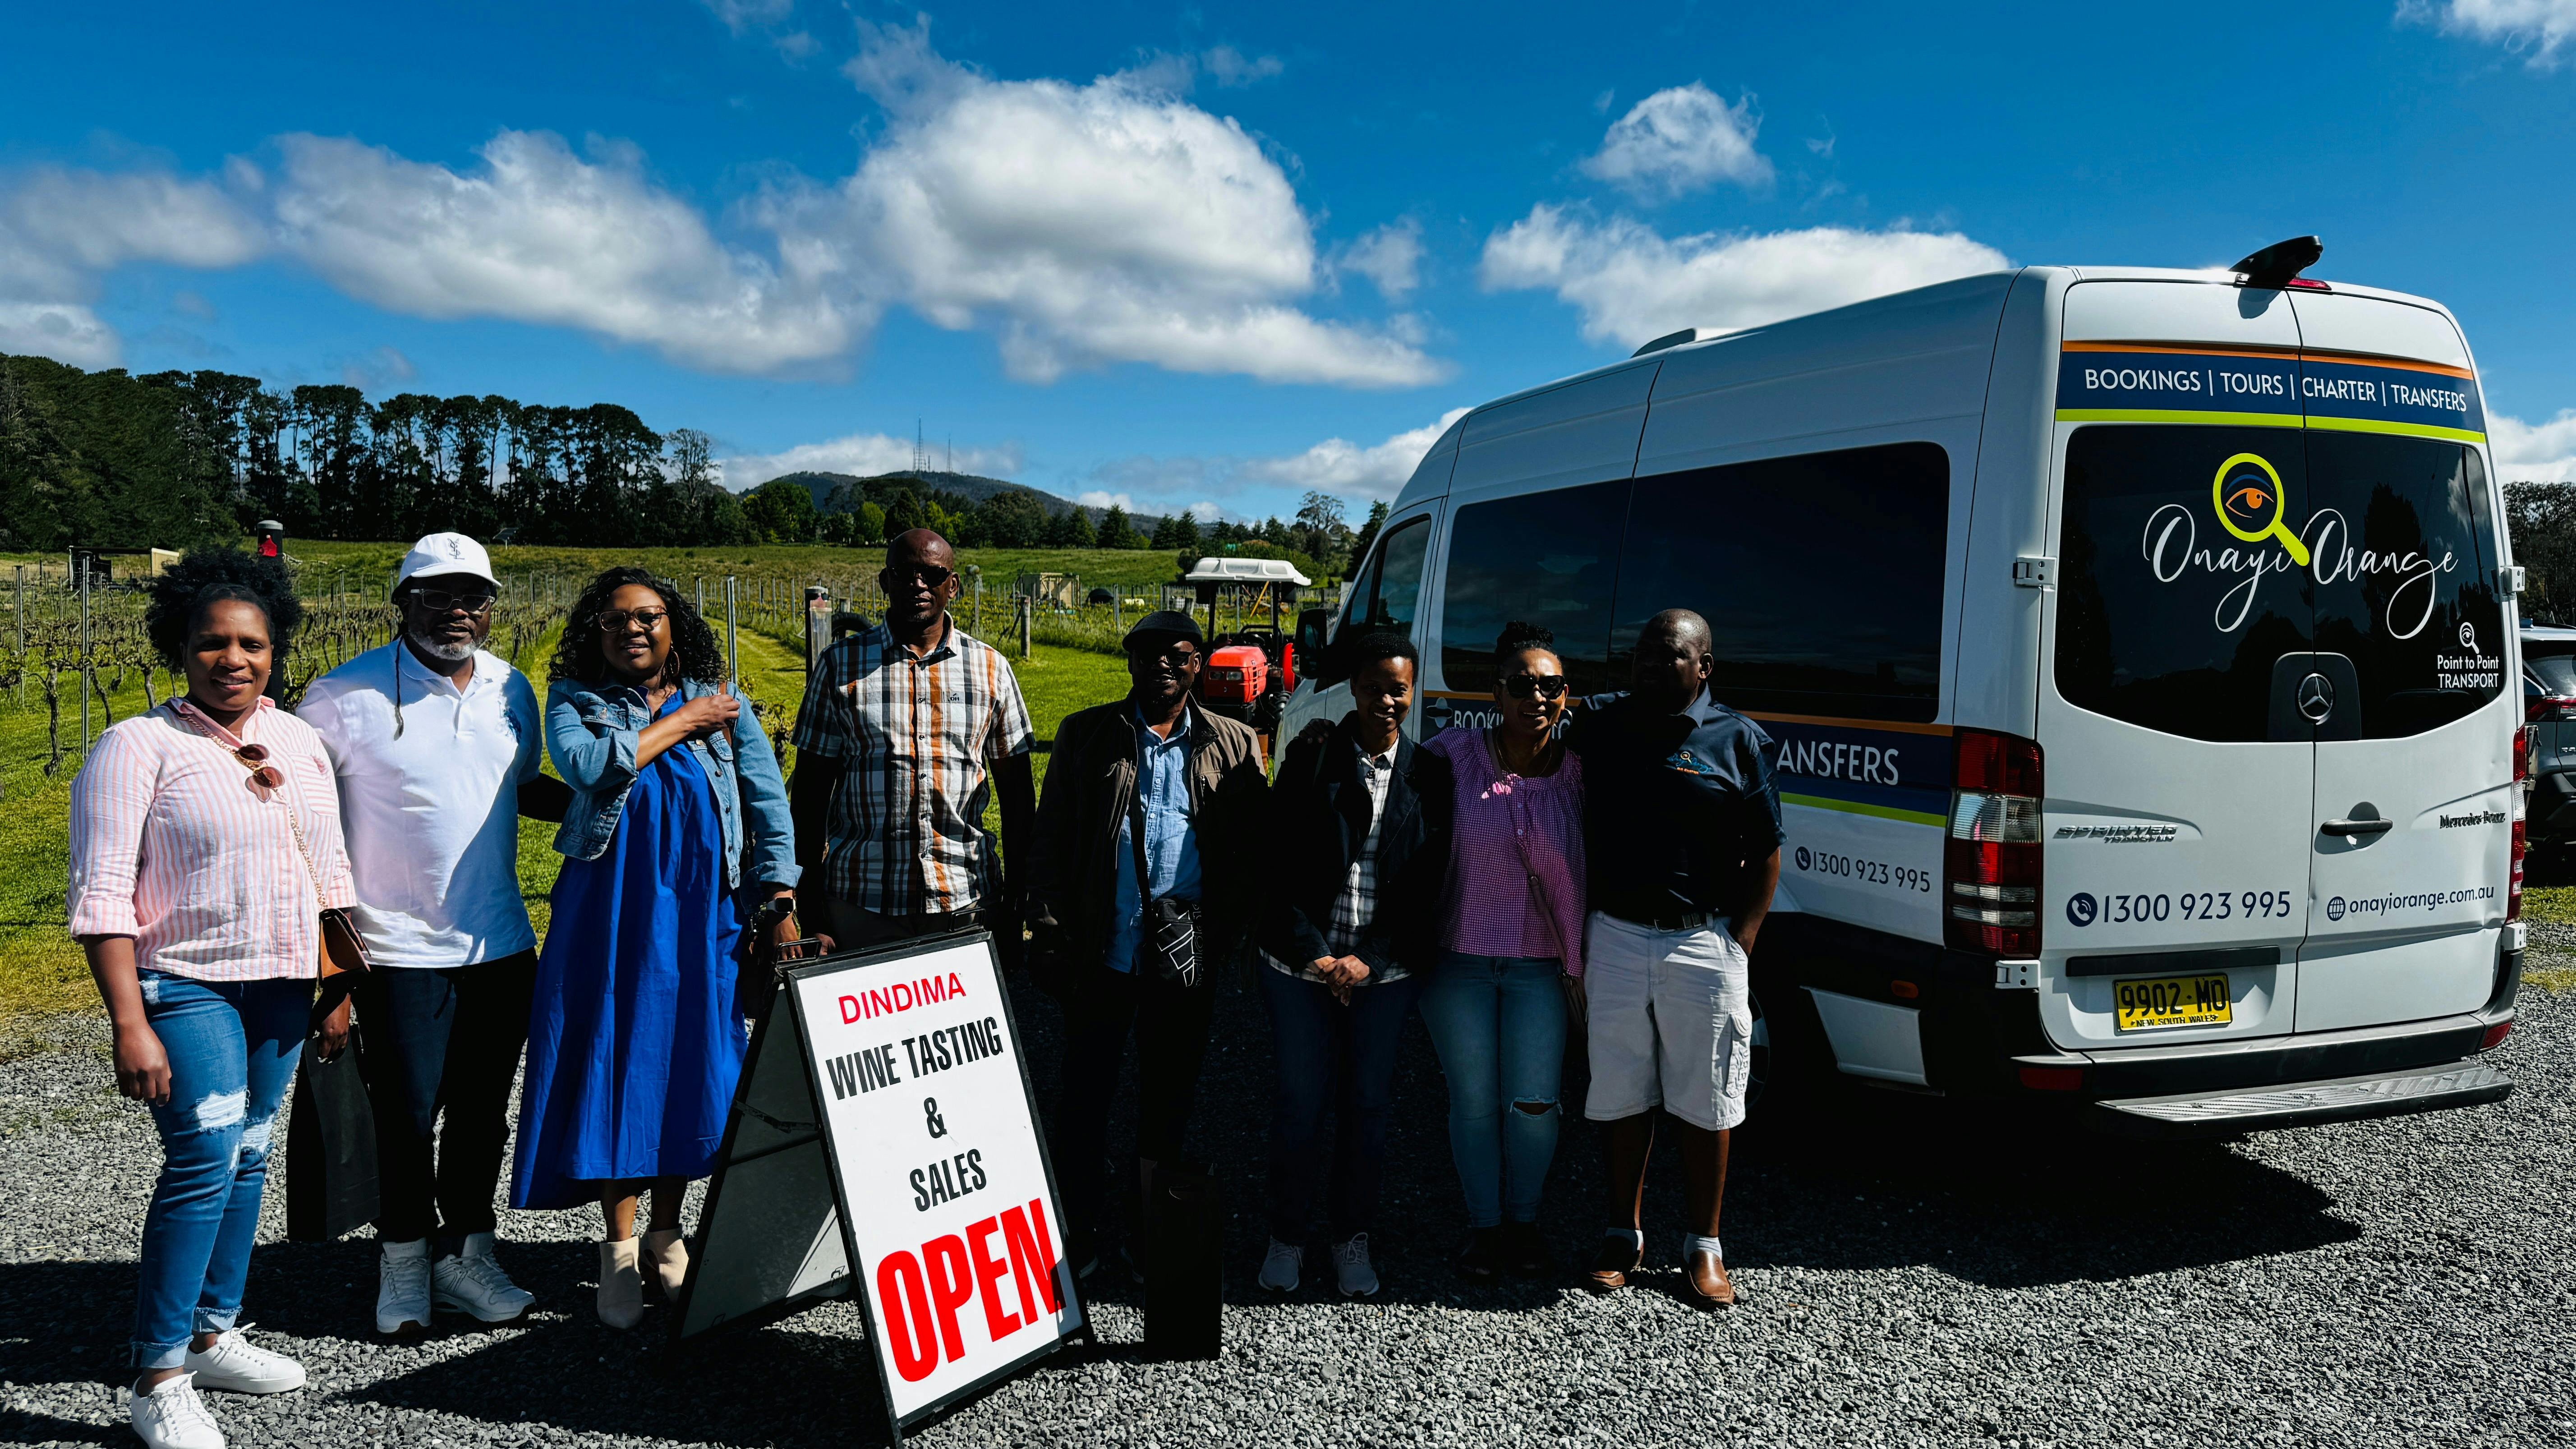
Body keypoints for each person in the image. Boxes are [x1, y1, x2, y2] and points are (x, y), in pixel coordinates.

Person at [69, 551, 350, 1449]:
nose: (234, 659)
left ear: (276, 650)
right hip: (182, 983)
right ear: (179, 649)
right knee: (202, 1154)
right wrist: (129, 1023)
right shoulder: (138, 746)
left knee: (251, 1154)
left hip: (278, 982)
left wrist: (336, 984)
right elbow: (103, 891)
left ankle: (213, 1328)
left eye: (252, 643)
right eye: (213, 643)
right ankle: (158, 1373)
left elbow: (329, 869)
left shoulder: (299, 740)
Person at [510, 567, 801, 1329]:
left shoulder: (724, 706)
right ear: (594, 631)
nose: (633, 630)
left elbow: (767, 802)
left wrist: (779, 899)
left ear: (673, 624)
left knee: (688, 1067)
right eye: (615, 620)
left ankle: (668, 1230)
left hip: (702, 911)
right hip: (609, 915)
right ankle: (617, 1248)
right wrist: (686, 719)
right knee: (614, 1063)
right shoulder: (575, 699)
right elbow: (588, 767)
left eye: (649, 616)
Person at [299, 533, 557, 1336]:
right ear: (402, 601)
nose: (458, 610)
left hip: (500, 944)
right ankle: (404, 1261)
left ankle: (468, 1254)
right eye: (437, 594)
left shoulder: (514, 689)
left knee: (483, 1114)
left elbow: (519, 790)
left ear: (490, 606)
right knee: (407, 1115)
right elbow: (307, 833)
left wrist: (633, 796)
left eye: (473, 595)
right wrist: (331, 969)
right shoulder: (341, 696)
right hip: (398, 950)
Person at [1028, 609, 1268, 1274]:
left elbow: (1251, 851)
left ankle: (1147, 1229)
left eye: (1180, 655)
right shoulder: (1086, 735)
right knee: (1085, 1096)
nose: (1163, 665)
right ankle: (1076, 1231)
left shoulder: (1235, 741)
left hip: (1185, 955)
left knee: (1167, 1101)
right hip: (1102, 949)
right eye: (1149, 654)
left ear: (1198, 665)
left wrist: (1223, 930)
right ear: (1129, 661)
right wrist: (1047, 929)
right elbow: (1051, 841)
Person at [1563, 608, 1781, 1308]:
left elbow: (1769, 850)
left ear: (1705, 667)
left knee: (1708, 1099)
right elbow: (1521, 726)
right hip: (1617, 937)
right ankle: (1622, 1234)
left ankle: (1704, 1245)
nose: (1653, 667)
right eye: (1644, 655)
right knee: (1621, 1094)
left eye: (1671, 657)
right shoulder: (1601, 722)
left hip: (1703, 941)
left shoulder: (1738, 740)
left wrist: (1738, 945)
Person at [1252, 632, 1441, 1298]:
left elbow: (1427, 890)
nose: (1386, 700)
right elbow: (1273, 869)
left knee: (1367, 1106)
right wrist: (1321, 955)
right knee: (1300, 1104)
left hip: (1382, 976)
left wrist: (1368, 960)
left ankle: (1351, 1236)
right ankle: (1288, 1234)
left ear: (1412, 690)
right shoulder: (1312, 760)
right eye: (1373, 686)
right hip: (1300, 965)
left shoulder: (1430, 775)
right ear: (1353, 688)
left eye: (1398, 688)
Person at [1416, 622, 1588, 1281]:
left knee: (1536, 1105)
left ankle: (1525, 1220)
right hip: (1456, 963)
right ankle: (1486, 1229)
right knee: (1475, 1102)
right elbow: (1388, 792)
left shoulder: (1578, 775)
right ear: (1496, 692)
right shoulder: (1455, 753)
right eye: (1522, 685)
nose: (1536, 697)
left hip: (1542, 968)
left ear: (1567, 695)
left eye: (1550, 686)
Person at [790, 529, 1035, 950]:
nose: (919, 584)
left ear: (952, 585)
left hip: (966, 902)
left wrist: (1016, 902)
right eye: (905, 574)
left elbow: (1018, 800)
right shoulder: (839, 665)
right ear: (886, 583)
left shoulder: (991, 669)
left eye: (933, 574)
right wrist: (811, 907)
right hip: (862, 905)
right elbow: (809, 796)